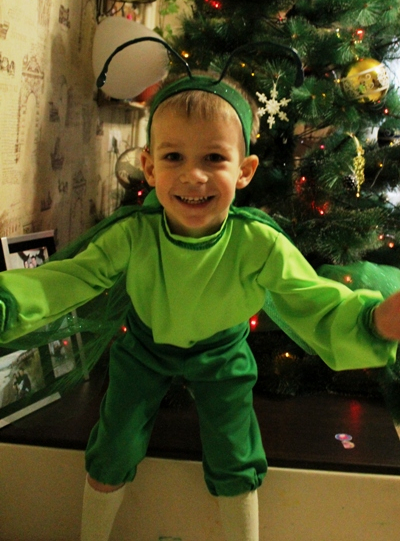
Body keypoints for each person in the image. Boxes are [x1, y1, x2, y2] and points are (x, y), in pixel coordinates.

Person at [0, 71, 400, 541]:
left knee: (236, 456)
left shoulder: (258, 243)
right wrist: (9, 303)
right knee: (112, 447)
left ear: (244, 171)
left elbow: (311, 299)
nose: (194, 175)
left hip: (222, 353)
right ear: (149, 167)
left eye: (214, 157)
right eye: (174, 156)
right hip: (144, 349)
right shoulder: (134, 234)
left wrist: (372, 322)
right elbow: (68, 279)